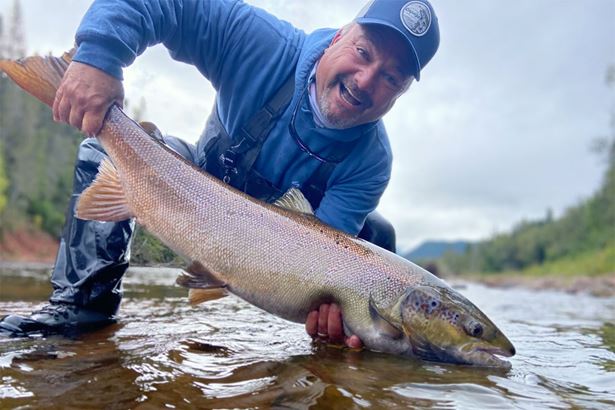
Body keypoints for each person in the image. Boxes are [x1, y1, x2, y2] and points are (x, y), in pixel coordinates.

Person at [0, 0, 439, 347]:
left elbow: (319, 260)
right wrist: (99, 56)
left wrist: (331, 314)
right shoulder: (262, 44)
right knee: (103, 149)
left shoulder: (371, 161)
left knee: (376, 239)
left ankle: (340, 355)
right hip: (195, 181)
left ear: (399, 93)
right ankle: (80, 313)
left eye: (391, 78)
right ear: (338, 37)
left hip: (279, 248)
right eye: (363, 53)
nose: (365, 80)